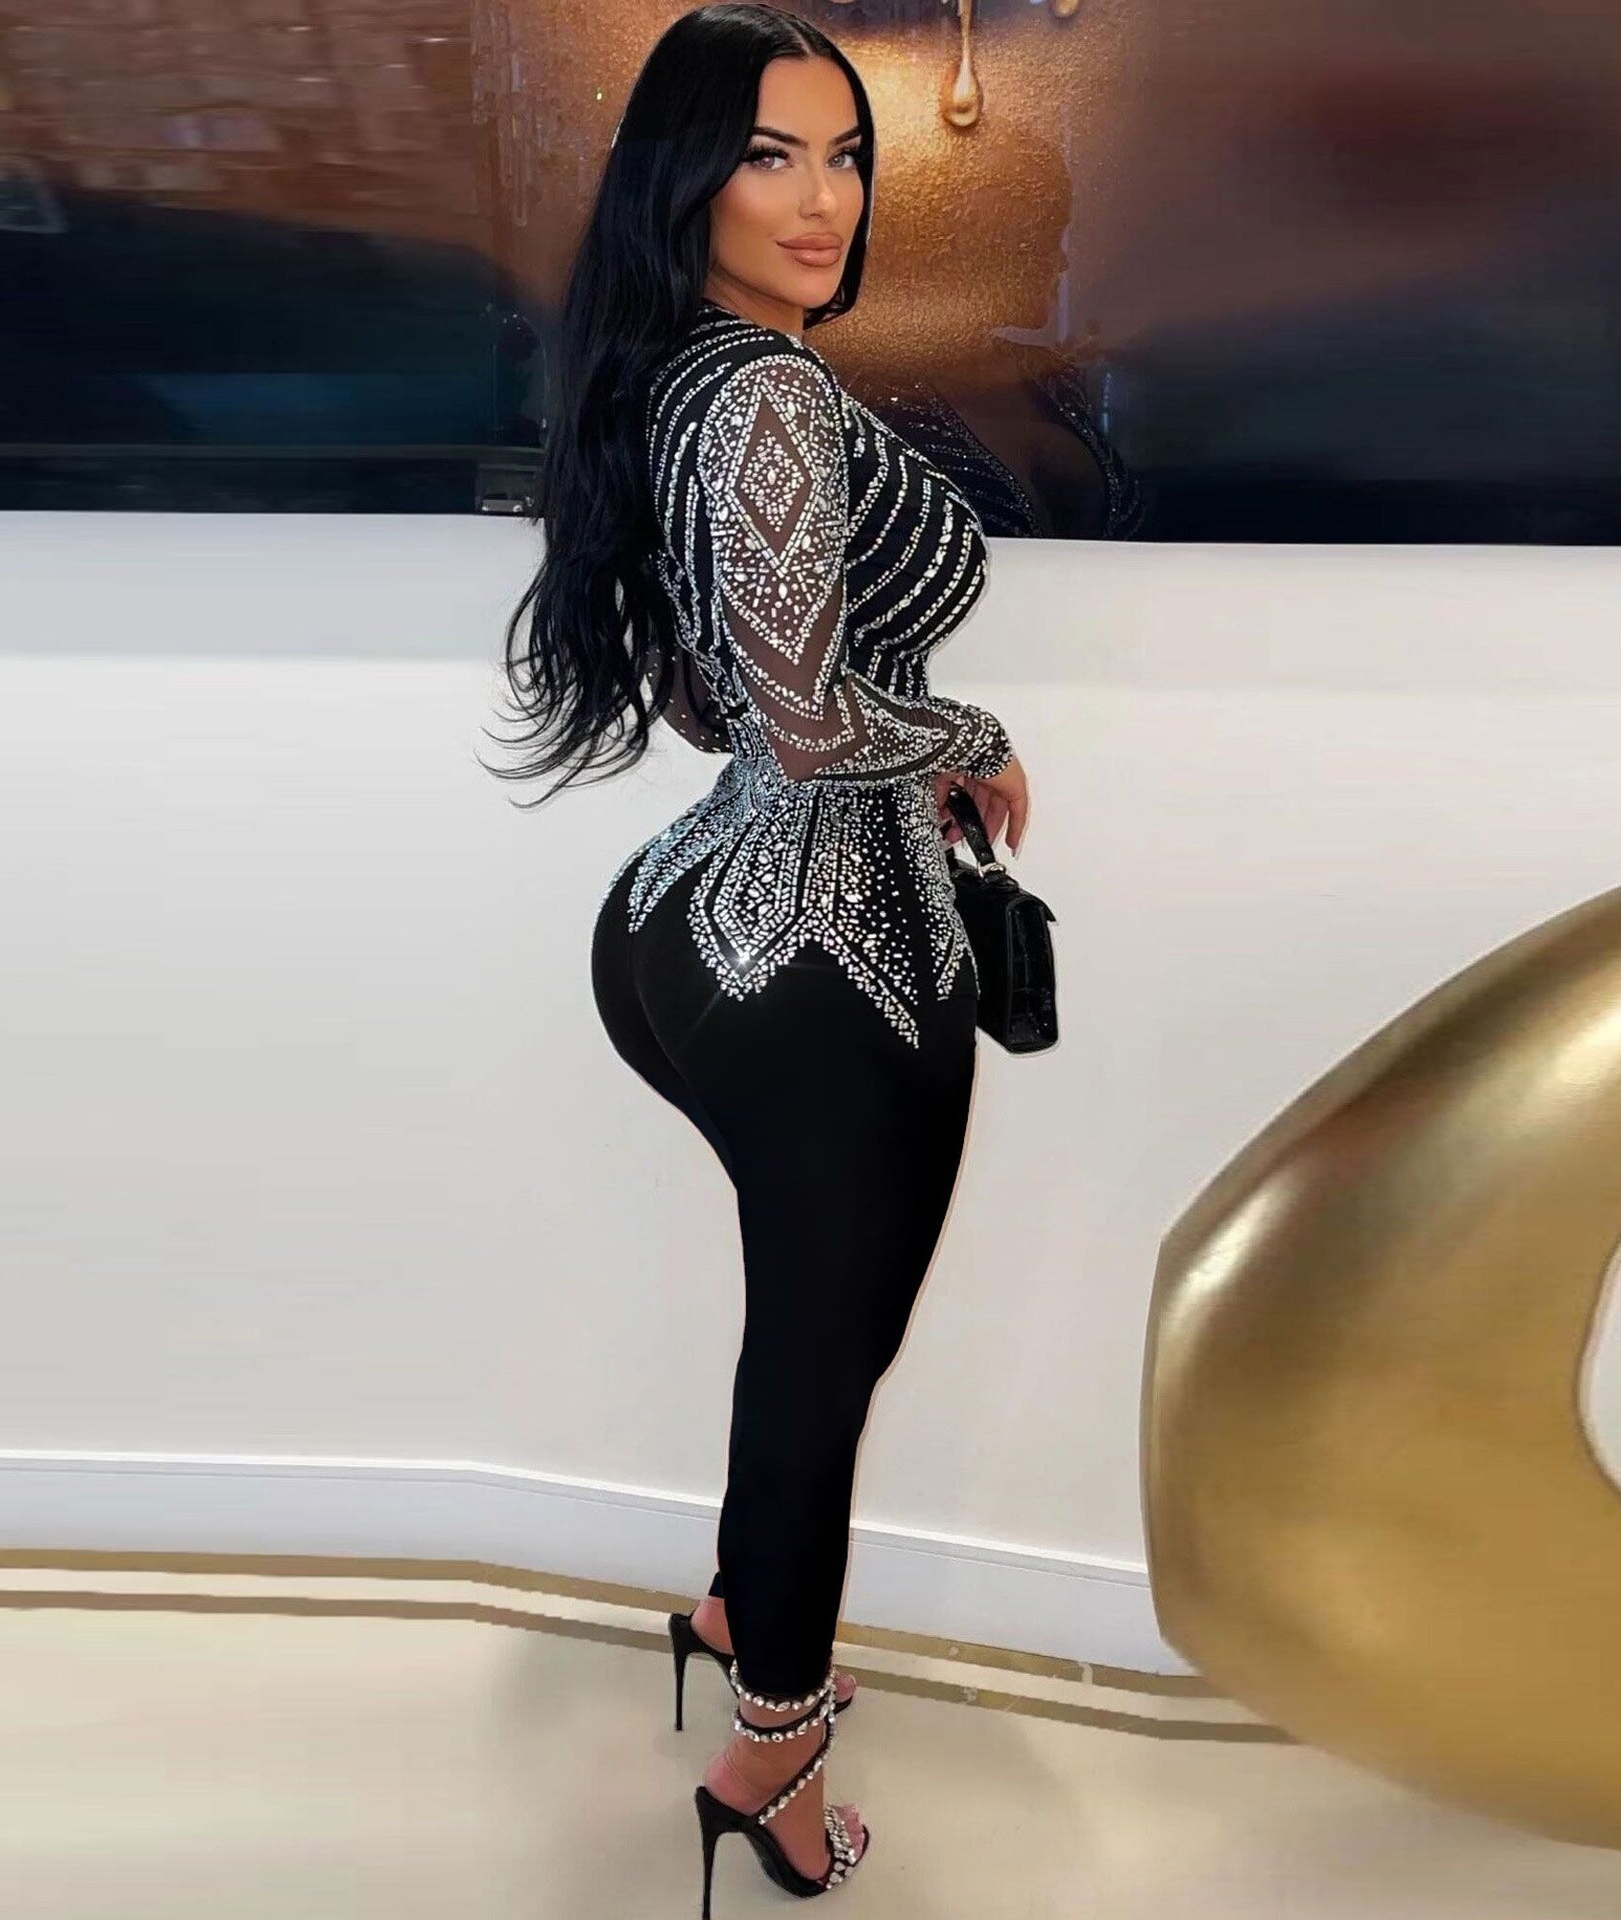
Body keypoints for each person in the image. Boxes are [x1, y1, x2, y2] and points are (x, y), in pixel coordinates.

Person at [488, 5, 1029, 1908]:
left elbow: (722, 699)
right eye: (771, 154)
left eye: (847, 154)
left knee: (806, 1338)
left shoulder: (673, 377)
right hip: (824, 958)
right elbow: (797, 722)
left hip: (687, 924)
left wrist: (897, 732)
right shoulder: (773, 400)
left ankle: (740, 1606)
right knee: (821, 1368)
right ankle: (772, 1754)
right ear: (684, 176)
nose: (824, 198)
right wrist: (965, 734)